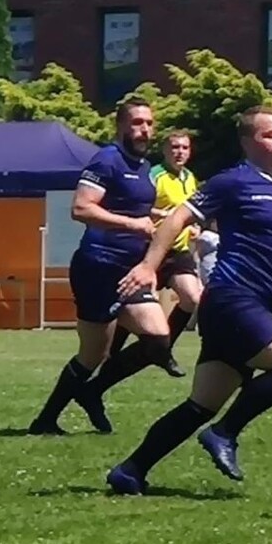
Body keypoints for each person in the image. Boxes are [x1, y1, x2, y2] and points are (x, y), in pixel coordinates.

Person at [106, 106, 272, 494]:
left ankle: (130, 470)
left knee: (201, 404)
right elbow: (176, 219)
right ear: (247, 142)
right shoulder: (232, 182)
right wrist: (148, 266)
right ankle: (224, 433)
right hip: (232, 298)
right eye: (270, 134)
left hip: (255, 305)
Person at [29, 99, 175, 436]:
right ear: (120, 126)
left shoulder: (144, 166)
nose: (145, 130)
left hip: (130, 269)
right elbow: (81, 209)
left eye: (150, 123)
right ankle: (45, 420)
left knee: (158, 339)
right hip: (97, 266)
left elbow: (132, 206)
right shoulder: (107, 159)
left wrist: (158, 219)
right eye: (137, 123)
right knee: (93, 353)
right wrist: (133, 224)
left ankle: (92, 392)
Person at [109, 130, 202, 377]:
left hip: (178, 251)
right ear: (164, 150)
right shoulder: (154, 175)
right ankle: (111, 352)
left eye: (184, 147)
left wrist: (194, 227)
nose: (179, 152)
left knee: (192, 298)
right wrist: (163, 216)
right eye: (175, 147)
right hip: (151, 249)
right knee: (135, 306)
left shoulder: (190, 178)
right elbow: (137, 205)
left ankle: (164, 351)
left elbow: (189, 211)